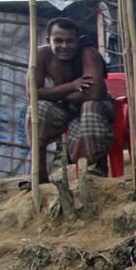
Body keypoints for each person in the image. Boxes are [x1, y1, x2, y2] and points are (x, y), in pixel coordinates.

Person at [31, 17, 115, 182]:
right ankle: (40, 174)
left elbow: (94, 93)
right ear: (48, 40)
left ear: (78, 41)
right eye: (58, 41)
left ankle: (99, 166)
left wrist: (53, 93)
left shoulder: (88, 53)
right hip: (64, 106)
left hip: (95, 105)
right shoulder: (41, 55)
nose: (64, 46)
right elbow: (33, 93)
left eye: (70, 41)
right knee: (37, 110)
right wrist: (71, 86)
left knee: (90, 108)